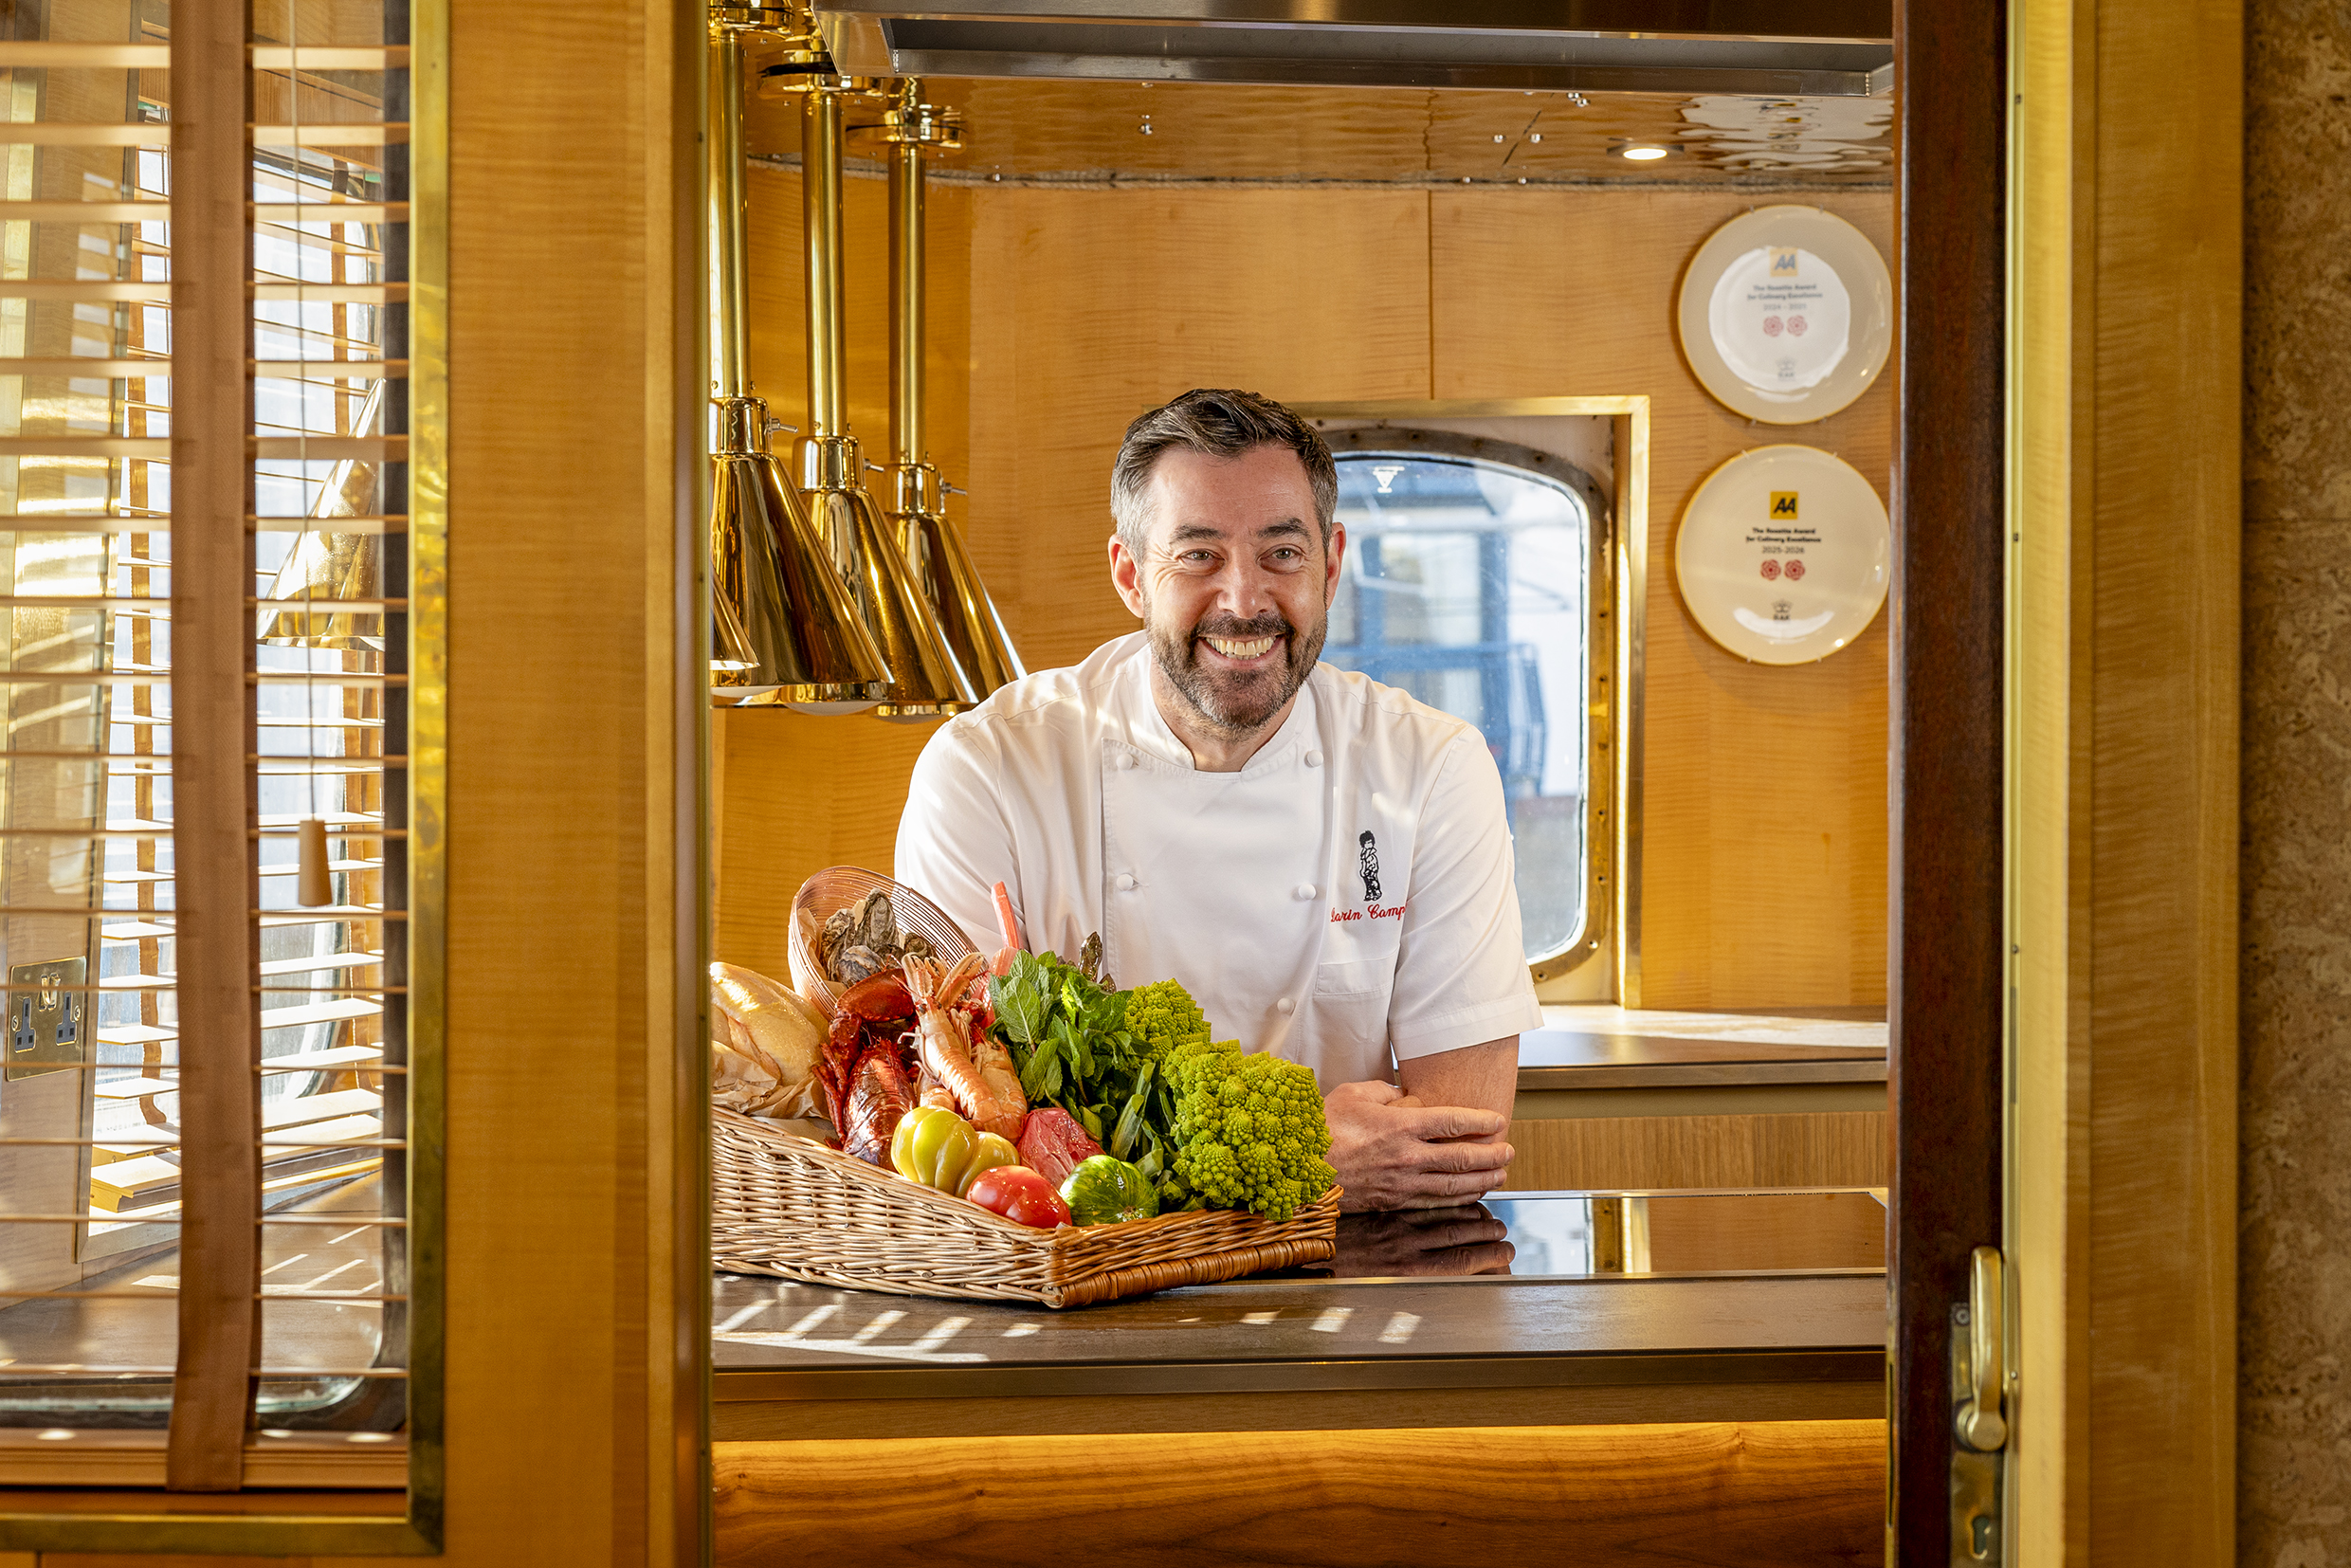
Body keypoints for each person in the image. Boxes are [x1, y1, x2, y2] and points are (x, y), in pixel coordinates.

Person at [894, 388, 1541, 1211]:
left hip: (1357, 1282)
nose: (1244, 600)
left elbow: (1461, 1140)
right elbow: (974, 1130)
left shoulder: (1431, 768)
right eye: (1198, 555)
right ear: (1131, 574)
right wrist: (1307, 1153)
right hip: (1083, 1287)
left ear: (1331, 566)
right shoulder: (987, 769)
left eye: (1282, 554)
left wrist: (1163, 1164)